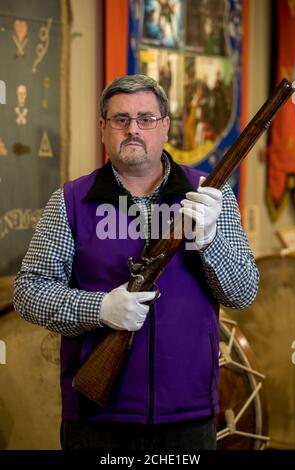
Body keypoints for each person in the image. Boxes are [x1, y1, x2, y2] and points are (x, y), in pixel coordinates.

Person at [13, 74, 259, 451]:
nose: (133, 129)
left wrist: (210, 243)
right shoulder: (70, 201)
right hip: (97, 418)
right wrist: (100, 308)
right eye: (120, 119)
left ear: (165, 128)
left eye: (146, 119)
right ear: (103, 128)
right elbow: (29, 292)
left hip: (189, 415)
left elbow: (242, 292)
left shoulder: (211, 193)